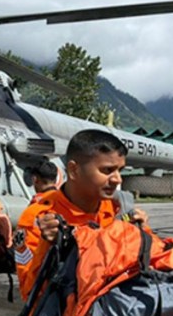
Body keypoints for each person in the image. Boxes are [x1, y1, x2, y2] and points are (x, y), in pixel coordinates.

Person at [14, 129, 148, 301]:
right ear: (73, 170)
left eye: (119, 170)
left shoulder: (117, 209)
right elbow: (29, 292)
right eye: (107, 170)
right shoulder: (38, 218)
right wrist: (46, 246)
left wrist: (142, 236)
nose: (117, 179)